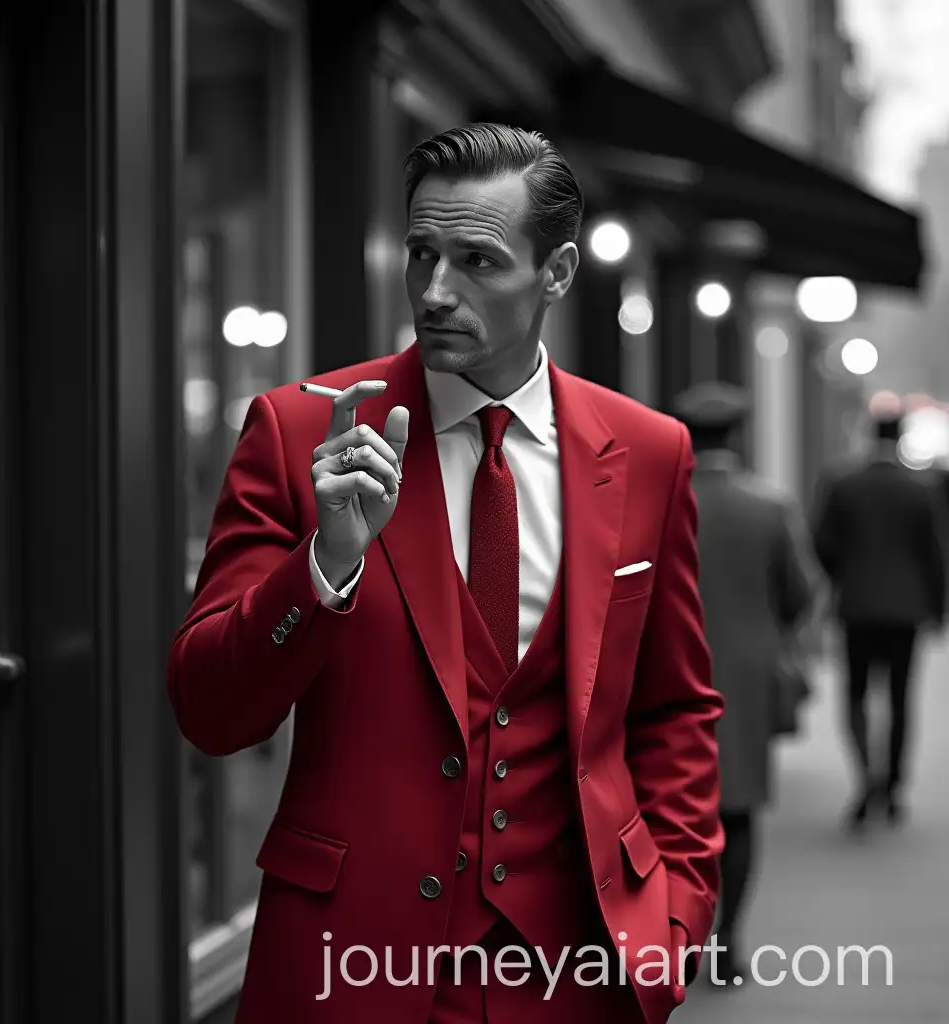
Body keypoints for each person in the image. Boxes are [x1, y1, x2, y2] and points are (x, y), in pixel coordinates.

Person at [167, 123, 723, 1024]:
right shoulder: (301, 433)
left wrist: (675, 917)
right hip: (349, 966)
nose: (434, 291)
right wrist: (327, 562)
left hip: (574, 977)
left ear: (557, 273)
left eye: (476, 260)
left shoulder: (650, 453)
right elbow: (210, 710)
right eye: (421, 253)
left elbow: (674, 707)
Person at [675, 381, 817, 983]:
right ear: (736, 435)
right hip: (745, 676)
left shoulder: (657, 500)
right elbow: (801, 594)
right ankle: (731, 936)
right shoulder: (770, 506)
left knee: (673, 812)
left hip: (669, 675)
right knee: (738, 811)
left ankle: (680, 937)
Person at [811, 412, 946, 827]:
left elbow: (822, 544)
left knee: (855, 694)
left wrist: (845, 578)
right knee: (901, 698)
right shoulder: (920, 490)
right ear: (901, 438)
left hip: (857, 605)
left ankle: (865, 775)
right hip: (906, 609)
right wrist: (938, 607)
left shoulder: (842, 484)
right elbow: (935, 553)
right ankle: (893, 786)